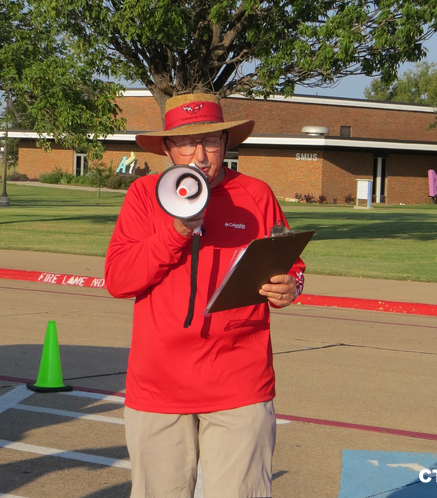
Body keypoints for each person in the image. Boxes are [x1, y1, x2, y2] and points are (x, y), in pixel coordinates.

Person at [105, 93, 306, 498]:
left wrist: (292, 285)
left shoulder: (256, 194)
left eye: (210, 141)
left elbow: (289, 261)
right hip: (158, 385)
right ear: (167, 148)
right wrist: (176, 232)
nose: (199, 155)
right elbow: (119, 280)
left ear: (226, 143)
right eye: (185, 143)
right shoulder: (144, 195)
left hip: (239, 381)